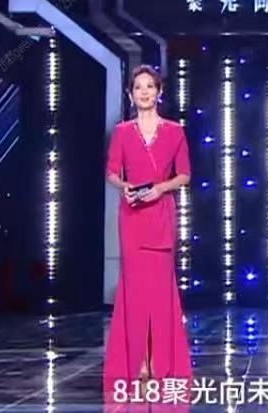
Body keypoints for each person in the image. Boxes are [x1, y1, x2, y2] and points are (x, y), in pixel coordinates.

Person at [102, 65, 194, 396]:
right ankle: (138, 362)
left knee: (160, 292)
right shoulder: (122, 132)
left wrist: (160, 189)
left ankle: (160, 361)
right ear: (130, 94)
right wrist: (125, 186)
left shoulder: (175, 132)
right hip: (132, 216)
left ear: (159, 91)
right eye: (138, 87)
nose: (144, 92)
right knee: (134, 292)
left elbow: (185, 175)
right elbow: (112, 172)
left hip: (161, 214)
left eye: (150, 86)